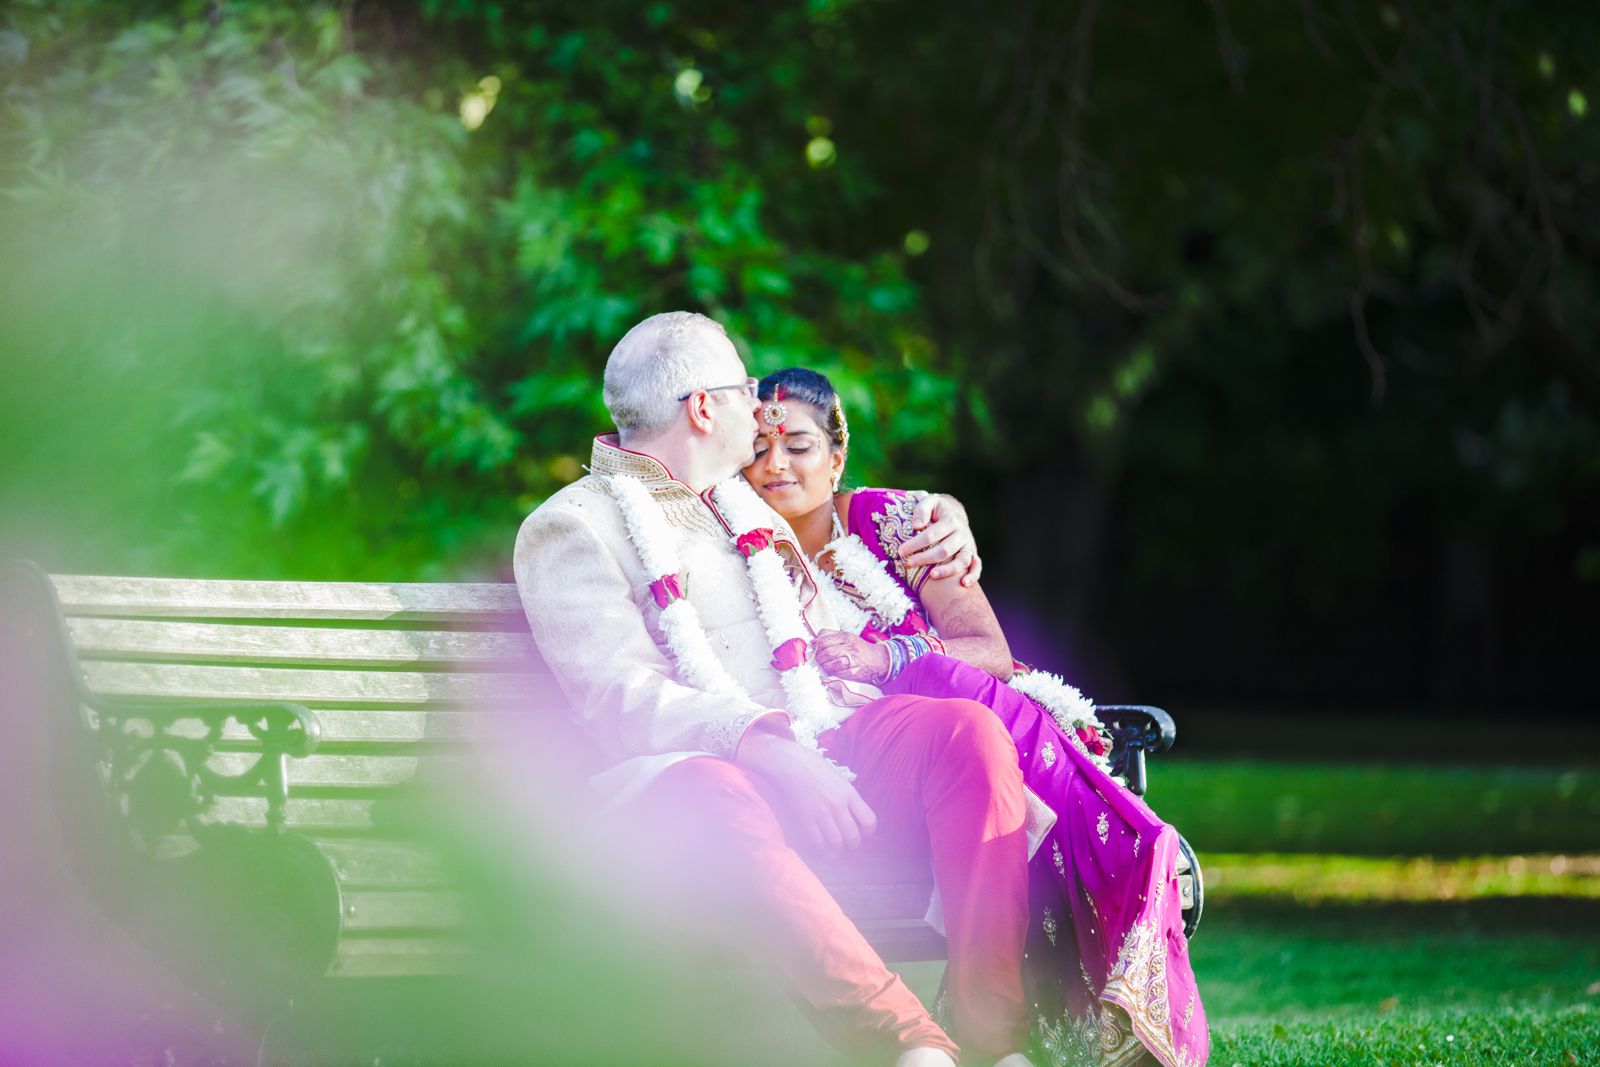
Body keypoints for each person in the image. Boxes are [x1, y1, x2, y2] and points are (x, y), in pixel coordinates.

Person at [513, 312, 1041, 1067]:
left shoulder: (744, 500)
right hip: (699, 781)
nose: (760, 406)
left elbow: (844, 501)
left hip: (830, 737)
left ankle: (996, 1042)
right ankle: (911, 1043)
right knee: (710, 792)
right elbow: (620, 697)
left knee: (966, 732)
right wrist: (769, 748)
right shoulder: (573, 525)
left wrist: (945, 514)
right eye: (745, 387)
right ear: (703, 408)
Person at [740, 367, 1210, 1067]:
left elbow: (987, 651)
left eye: (799, 446)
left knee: (959, 714)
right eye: (758, 448)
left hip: (953, 763)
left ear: (836, 458)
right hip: (824, 776)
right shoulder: (725, 537)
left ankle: (1001, 1031)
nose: (776, 464)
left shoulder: (895, 524)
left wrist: (888, 657)